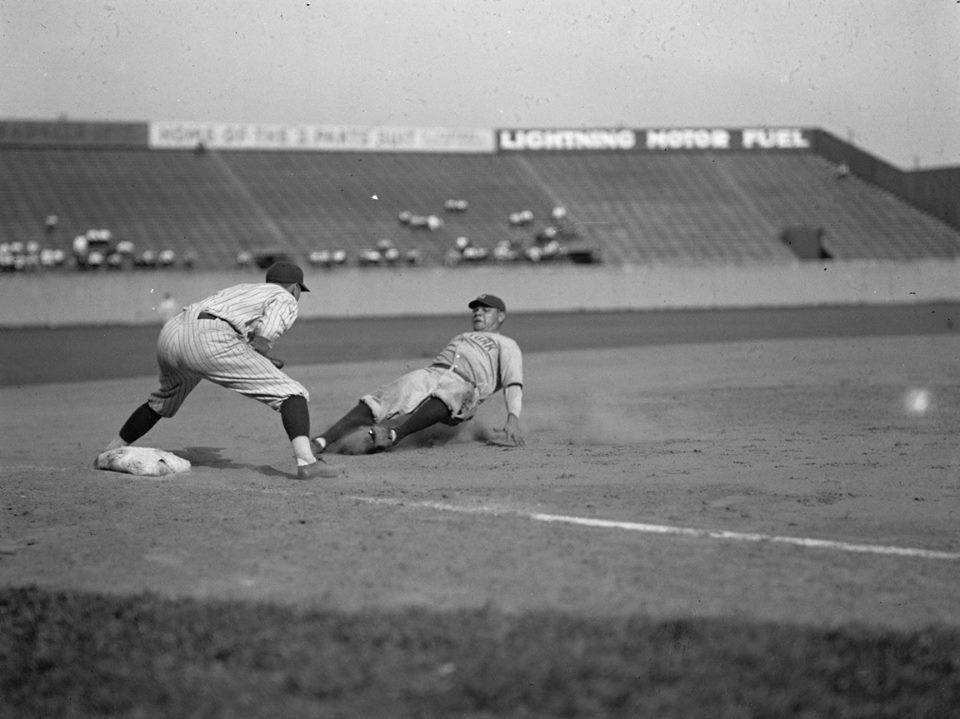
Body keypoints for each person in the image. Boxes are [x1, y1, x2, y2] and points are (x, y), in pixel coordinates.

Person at [100, 261, 344, 480]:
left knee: (162, 401)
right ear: (294, 288)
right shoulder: (285, 296)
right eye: (299, 291)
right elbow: (265, 335)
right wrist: (263, 349)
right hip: (210, 338)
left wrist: (259, 352)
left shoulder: (244, 290)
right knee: (292, 393)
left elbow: (245, 339)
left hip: (173, 333)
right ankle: (307, 462)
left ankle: (110, 450)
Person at [313, 293, 524, 454]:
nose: (478, 312)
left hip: (467, 386)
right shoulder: (462, 336)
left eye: (486, 310)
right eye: (475, 310)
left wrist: (512, 419)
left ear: (501, 316)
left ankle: (395, 435)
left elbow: (513, 382)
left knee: (453, 392)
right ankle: (323, 440)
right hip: (433, 372)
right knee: (385, 396)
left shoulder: (507, 344)